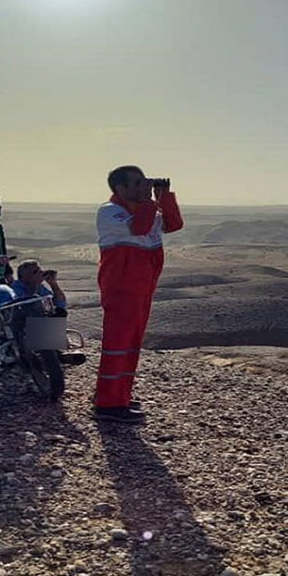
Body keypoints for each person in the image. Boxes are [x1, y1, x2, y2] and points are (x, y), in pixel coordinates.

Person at [93, 165, 183, 424]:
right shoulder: (110, 212)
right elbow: (140, 228)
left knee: (131, 343)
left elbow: (173, 225)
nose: (145, 186)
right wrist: (148, 201)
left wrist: (164, 197)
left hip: (141, 285)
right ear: (121, 188)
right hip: (122, 286)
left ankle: (116, 395)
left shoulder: (145, 208)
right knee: (118, 344)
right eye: (138, 183)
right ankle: (108, 405)